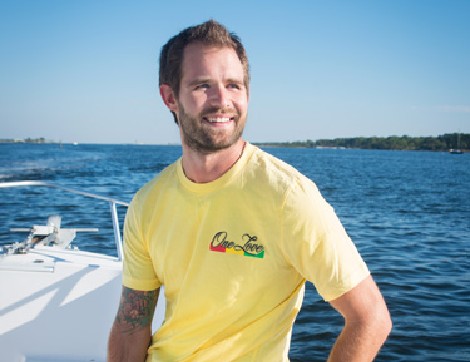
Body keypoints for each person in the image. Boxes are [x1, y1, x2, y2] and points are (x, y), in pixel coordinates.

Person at [108, 19, 392, 362]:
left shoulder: (287, 197)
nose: (223, 101)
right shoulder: (148, 203)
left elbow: (370, 318)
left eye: (234, 85)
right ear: (170, 97)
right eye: (203, 86)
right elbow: (131, 324)